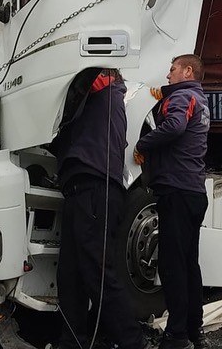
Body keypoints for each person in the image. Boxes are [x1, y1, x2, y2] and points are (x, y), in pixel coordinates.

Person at [51, 68, 153, 349]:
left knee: (98, 273)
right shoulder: (103, 103)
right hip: (83, 189)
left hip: (95, 190)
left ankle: (133, 342)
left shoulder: (106, 92)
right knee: (70, 274)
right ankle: (71, 342)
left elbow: (85, 74)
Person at [135, 55, 211, 349]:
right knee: (189, 264)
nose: (168, 75)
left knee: (172, 267)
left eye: (172, 69)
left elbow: (175, 126)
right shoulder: (200, 100)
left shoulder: (182, 98)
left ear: (187, 71)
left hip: (176, 191)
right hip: (194, 191)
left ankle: (176, 336)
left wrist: (143, 144)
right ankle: (195, 330)